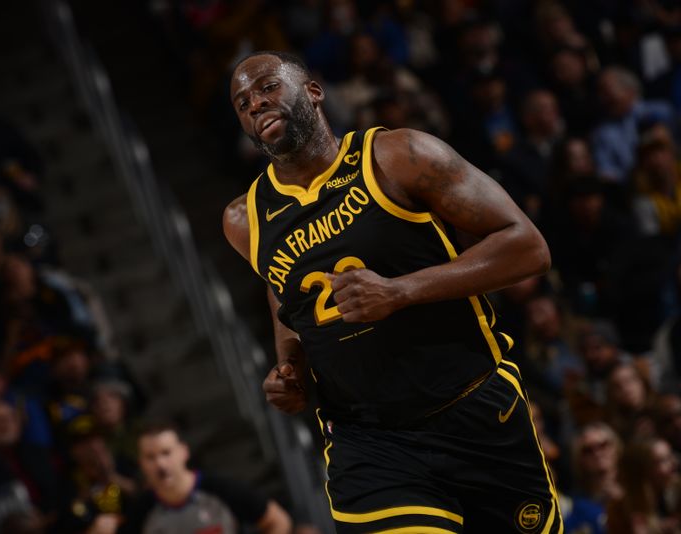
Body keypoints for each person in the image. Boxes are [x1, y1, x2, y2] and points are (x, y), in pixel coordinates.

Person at [223, 51, 561, 533]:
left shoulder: (399, 156)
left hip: (474, 411)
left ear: (314, 91)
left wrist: (400, 291)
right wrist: (292, 367)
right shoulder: (244, 220)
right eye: (242, 102)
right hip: (370, 443)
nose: (255, 103)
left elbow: (527, 247)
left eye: (268, 87)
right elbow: (287, 302)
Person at [118, 422, 292, 534]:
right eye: (151, 457)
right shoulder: (140, 512)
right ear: (141, 463)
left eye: (166, 453)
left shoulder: (220, 489)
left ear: (183, 452)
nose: (160, 464)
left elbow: (278, 521)